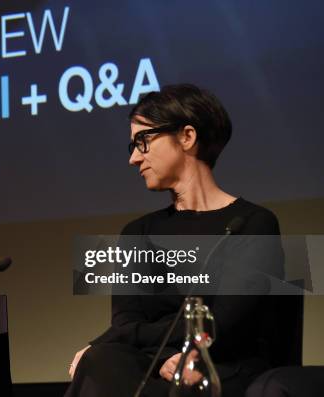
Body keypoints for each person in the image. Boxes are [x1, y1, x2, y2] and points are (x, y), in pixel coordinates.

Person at [65, 84, 296, 396]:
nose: (134, 158)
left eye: (142, 141)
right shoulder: (136, 233)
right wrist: (162, 357)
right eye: (132, 146)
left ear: (187, 137)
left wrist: (117, 338)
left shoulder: (252, 224)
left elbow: (221, 323)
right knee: (99, 360)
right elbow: (125, 320)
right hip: (154, 365)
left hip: (226, 365)